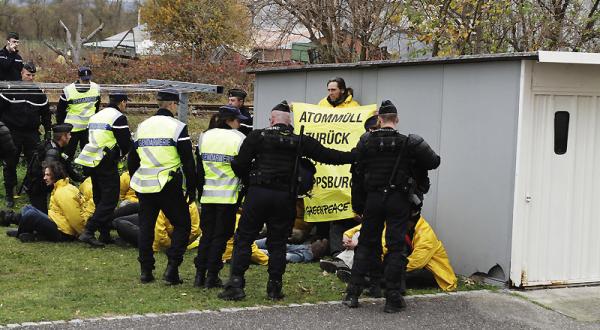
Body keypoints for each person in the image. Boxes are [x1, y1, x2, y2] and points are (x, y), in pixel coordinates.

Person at [218, 100, 355, 301]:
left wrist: (251, 182)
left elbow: (239, 164)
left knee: (244, 239)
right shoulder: (299, 141)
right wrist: (358, 154)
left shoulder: (257, 137)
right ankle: (274, 288)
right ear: (289, 122)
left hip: (258, 194)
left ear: (271, 120)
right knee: (278, 242)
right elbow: (330, 156)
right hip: (284, 197)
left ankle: (236, 285)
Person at [343, 100, 440, 313]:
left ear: (379, 119)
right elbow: (434, 162)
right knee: (396, 247)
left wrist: (358, 205)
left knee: (367, 244)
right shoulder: (409, 142)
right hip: (398, 199)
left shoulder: (366, 141)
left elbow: (356, 174)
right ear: (396, 120)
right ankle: (392, 297)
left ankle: (352, 293)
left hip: (373, 199)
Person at [128, 89, 197, 285]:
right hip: (168, 184)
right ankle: (172, 268)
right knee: (183, 224)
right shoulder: (177, 127)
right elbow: (188, 162)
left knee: (146, 228)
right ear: (174, 105)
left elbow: (132, 160)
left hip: (145, 185)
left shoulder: (142, 127)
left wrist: (136, 179)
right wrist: (192, 188)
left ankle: (146, 271)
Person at [322, 216, 458, 293]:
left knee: (410, 274)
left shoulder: (425, 235)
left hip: (432, 273)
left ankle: (369, 280)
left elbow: (417, 263)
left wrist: (388, 268)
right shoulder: (398, 223)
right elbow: (365, 228)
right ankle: (361, 274)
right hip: (402, 263)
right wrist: (348, 235)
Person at [194, 104, 247, 289]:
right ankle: (212, 276)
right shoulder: (239, 138)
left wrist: (200, 192)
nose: (239, 124)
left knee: (206, 235)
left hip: (208, 195)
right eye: (238, 120)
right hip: (229, 196)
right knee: (220, 236)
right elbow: (243, 168)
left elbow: (199, 169)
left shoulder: (204, 136)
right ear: (229, 120)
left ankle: (199, 275)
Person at [75, 91, 131, 247]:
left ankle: (104, 234)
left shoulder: (96, 116)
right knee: (110, 200)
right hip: (106, 162)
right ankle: (89, 231)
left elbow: (87, 138)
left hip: (92, 161)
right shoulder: (118, 117)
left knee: (100, 199)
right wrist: (120, 154)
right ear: (123, 102)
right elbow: (126, 143)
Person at [316, 77, 362, 257]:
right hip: (326, 163)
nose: (330, 93)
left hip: (344, 162)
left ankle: (334, 246)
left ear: (342, 90)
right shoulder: (321, 105)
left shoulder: (354, 107)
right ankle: (323, 241)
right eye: (328, 90)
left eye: (333, 90)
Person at [0, 62, 51, 208]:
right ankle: (10, 194)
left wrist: (48, 131)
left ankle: (33, 191)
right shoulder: (10, 90)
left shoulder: (38, 93)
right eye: (28, 75)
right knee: (10, 163)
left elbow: (46, 114)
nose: (30, 78)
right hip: (12, 132)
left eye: (33, 75)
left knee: (35, 164)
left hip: (31, 133)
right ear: (21, 74)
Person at [1, 161, 93, 242]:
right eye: (45, 174)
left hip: (64, 233)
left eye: (48, 175)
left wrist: (82, 234)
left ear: (55, 175)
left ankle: (20, 232)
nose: (44, 178)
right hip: (57, 223)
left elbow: (75, 217)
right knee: (27, 208)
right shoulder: (61, 187)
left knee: (31, 215)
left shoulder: (63, 192)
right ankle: (30, 233)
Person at [22, 123, 84, 214]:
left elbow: (67, 166)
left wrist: (81, 179)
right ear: (63, 137)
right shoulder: (52, 151)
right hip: (37, 187)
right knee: (40, 217)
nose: (71, 137)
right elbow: (48, 171)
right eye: (69, 134)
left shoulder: (57, 147)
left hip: (42, 185)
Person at [56, 67, 101, 159]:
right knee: (67, 155)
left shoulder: (95, 88)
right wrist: (62, 129)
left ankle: (86, 173)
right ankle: (65, 172)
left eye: (88, 80)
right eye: (84, 80)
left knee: (88, 155)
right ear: (79, 78)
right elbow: (60, 111)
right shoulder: (68, 91)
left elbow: (97, 106)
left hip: (88, 128)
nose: (86, 83)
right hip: (72, 130)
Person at [255, 238, 329, 263]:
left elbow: (287, 257)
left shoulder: (306, 255)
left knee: (284, 256)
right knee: (270, 241)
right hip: (305, 249)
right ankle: (249, 243)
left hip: (306, 254)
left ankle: (252, 248)